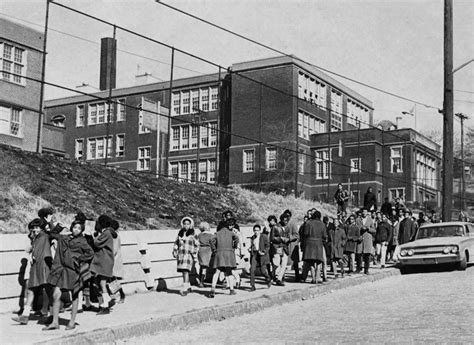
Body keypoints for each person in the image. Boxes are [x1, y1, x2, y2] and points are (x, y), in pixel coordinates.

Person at [42, 220, 94, 330]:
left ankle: (72, 322)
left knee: (74, 295)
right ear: (71, 228)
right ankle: (55, 322)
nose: (76, 230)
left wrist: (79, 259)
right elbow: (51, 234)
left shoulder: (83, 241)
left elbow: (90, 253)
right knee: (56, 295)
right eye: (75, 227)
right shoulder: (63, 238)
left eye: (79, 228)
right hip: (61, 270)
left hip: (73, 271)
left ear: (82, 230)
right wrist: (61, 226)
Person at [12, 219, 52, 325]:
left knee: (47, 289)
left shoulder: (45, 235)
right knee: (30, 289)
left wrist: (53, 227)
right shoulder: (34, 238)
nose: (35, 229)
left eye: (37, 227)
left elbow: (53, 233)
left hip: (44, 266)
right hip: (35, 266)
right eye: (33, 227)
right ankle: (25, 316)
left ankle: (49, 314)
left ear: (42, 228)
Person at [90, 215, 117, 315]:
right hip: (104, 261)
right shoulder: (108, 233)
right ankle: (102, 304)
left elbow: (97, 243)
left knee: (101, 283)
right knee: (97, 283)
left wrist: (94, 237)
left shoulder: (106, 233)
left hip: (104, 262)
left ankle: (105, 305)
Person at [209, 218, 239, 298]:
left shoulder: (218, 233)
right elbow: (237, 238)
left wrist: (214, 249)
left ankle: (212, 289)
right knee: (229, 272)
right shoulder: (231, 233)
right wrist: (234, 246)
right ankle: (231, 290)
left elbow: (211, 239)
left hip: (219, 253)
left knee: (217, 272)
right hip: (229, 254)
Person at [172, 217, 199, 296]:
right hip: (181, 255)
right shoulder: (180, 233)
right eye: (185, 224)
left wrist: (194, 253)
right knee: (183, 271)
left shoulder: (193, 233)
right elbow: (176, 243)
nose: (186, 225)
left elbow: (197, 245)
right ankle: (189, 286)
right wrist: (174, 250)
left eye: (188, 224)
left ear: (191, 224)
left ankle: (185, 288)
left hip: (188, 255)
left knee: (186, 270)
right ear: (182, 224)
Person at [301, 210, 327, 284]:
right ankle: (317, 277)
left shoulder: (308, 223)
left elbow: (305, 233)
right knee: (318, 262)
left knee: (311, 262)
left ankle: (313, 278)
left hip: (310, 244)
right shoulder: (322, 224)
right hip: (319, 243)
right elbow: (324, 236)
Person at [249, 224, 271, 291]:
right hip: (255, 254)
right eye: (255, 230)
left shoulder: (264, 236)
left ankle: (268, 279)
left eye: (257, 230)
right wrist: (250, 249)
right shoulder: (253, 237)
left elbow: (268, 246)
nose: (256, 232)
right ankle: (252, 286)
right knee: (252, 270)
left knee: (263, 271)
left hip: (262, 255)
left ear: (260, 231)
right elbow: (252, 246)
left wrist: (264, 252)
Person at [270, 213, 290, 286]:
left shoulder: (287, 228)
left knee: (284, 264)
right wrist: (280, 238)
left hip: (284, 247)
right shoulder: (275, 227)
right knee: (277, 263)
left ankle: (279, 279)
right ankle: (273, 275)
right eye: (285, 220)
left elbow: (288, 236)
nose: (286, 222)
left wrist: (288, 239)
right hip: (278, 247)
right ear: (281, 220)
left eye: (287, 220)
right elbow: (272, 238)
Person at [355, 209, 376, 273]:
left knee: (367, 255)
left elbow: (374, 230)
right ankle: (358, 268)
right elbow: (355, 228)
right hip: (360, 238)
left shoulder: (370, 220)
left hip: (367, 239)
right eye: (363, 212)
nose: (364, 213)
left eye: (365, 212)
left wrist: (368, 228)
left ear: (367, 213)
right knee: (358, 254)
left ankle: (366, 269)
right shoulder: (358, 220)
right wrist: (359, 233)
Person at [110, 219, 125, 303]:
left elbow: (114, 249)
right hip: (116, 259)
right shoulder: (117, 235)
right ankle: (119, 295)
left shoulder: (114, 236)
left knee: (113, 279)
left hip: (114, 260)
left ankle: (121, 294)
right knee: (113, 279)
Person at [283, 209, 301, 282]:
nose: (287, 217)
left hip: (292, 245)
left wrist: (289, 238)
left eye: (288, 216)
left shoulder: (293, 224)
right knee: (283, 262)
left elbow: (297, 235)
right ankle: (282, 276)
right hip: (285, 245)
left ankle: (297, 276)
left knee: (295, 262)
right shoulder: (282, 223)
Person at [197, 221, 213, 288]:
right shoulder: (210, 235)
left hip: (201, 250)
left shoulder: (199, 235)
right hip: (208, 250)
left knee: (202, 266)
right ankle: (202, 282)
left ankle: (201, 279)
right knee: (205, 267)